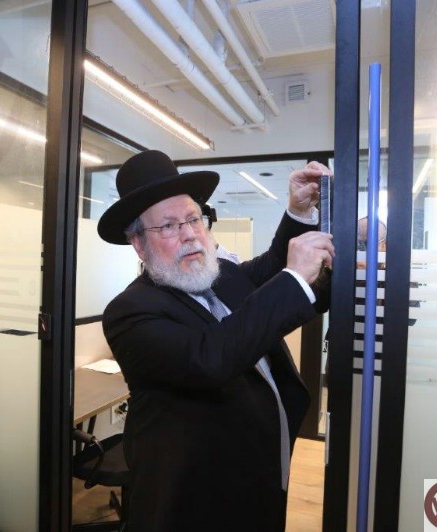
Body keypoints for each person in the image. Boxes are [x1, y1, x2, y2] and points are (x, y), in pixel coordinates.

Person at [98, 150, 334, 532]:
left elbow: (272, 268)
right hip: (196, 502)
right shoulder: (130, 312)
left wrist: (298, 212)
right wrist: (294, 276)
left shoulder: (219, 274)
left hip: (259, 476)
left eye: (194, 219)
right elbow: (211, 358)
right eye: (169, 226)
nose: (191, 234)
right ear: (139, 244)